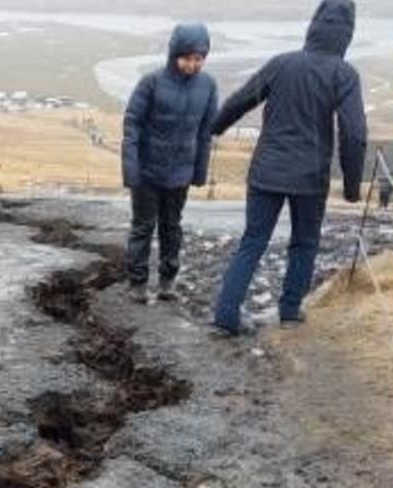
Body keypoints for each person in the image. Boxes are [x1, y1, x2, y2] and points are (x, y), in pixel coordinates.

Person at [209, 0, 367, 335]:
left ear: (313, 27)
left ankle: (226, 315)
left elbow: (240, 100)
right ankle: (291, 310)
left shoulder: (282, 64)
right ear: (347, 35)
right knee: (305, 243)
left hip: (266, 170)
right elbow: (354, 134)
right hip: (310, 178)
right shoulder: (344, 74)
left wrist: (214, 128)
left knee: (252, 241)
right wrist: (352, 187)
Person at [121, 23, 219, 303]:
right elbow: (132, 125)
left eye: (199, 59)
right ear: (174, 54)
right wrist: (131, 170)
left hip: (180, 173)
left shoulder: (208, 86)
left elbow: (205, 133)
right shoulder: (151, 82)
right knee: (143, 226)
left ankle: (167, 282)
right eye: (187, 58)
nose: (192, 64)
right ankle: (137, 284)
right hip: (147, 171)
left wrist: (199, 172)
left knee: (172, 226)